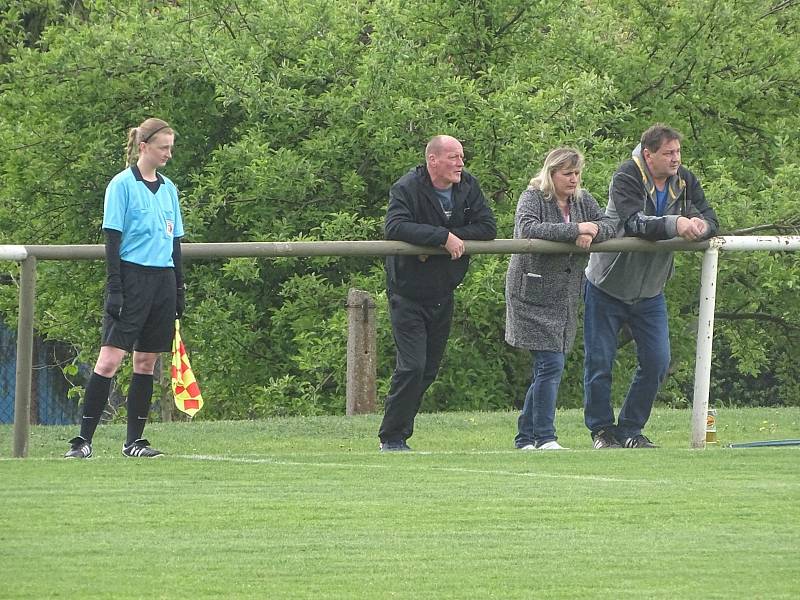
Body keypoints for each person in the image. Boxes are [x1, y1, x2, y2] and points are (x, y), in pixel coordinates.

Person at [583, 123, 719, 449]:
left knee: (658, 360)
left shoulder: (685, 180)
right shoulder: (626, 176)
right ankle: (602, 432)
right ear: (649, 155)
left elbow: (712, 219)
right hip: (607, 285)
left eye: (678, 152)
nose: (676, 159)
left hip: (651, 291)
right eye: (668, 153)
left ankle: (630, 429)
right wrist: (677, 223)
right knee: (600, 362)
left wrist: (700, 226)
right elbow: (635, 224)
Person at [64, 117, 185, 459]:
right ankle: (83, 440)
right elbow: (112, 239)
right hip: (132, 278)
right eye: (163, 147)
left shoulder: (169, 189)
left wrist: (178, 288)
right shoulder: (121, 185)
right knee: (109, 360)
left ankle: (134, 441)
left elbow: (175, 242)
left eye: (170, 148)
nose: (168, 154)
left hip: (162, 279)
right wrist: (115, 287)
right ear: (143, 146)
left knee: (146, 361)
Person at [379, 135, 496, 451]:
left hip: (444, 291)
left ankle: (399, 433)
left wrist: (449, 239)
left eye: (461, 157)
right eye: (454, 157)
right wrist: (440, 237)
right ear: (433, 160)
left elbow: (488, 227)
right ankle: (391, 437)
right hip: (407, 293)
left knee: (428, 370)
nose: (461, 163)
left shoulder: (468, 186)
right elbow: (395, 227)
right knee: (412, 366)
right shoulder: (407, 187)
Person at [506, 148, 615, 450]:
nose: (573, 179)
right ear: (551, 173)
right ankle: (545, 436)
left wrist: (591, 232)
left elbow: (608, 224)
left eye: (577, 173)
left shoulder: (583, 199)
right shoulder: (532, 197)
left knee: (548, 366)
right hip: (531, 294)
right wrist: (574, 230)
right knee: (550, 364)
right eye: (567, 173)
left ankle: (525, 438)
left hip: (564, 298)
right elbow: (529, 228)